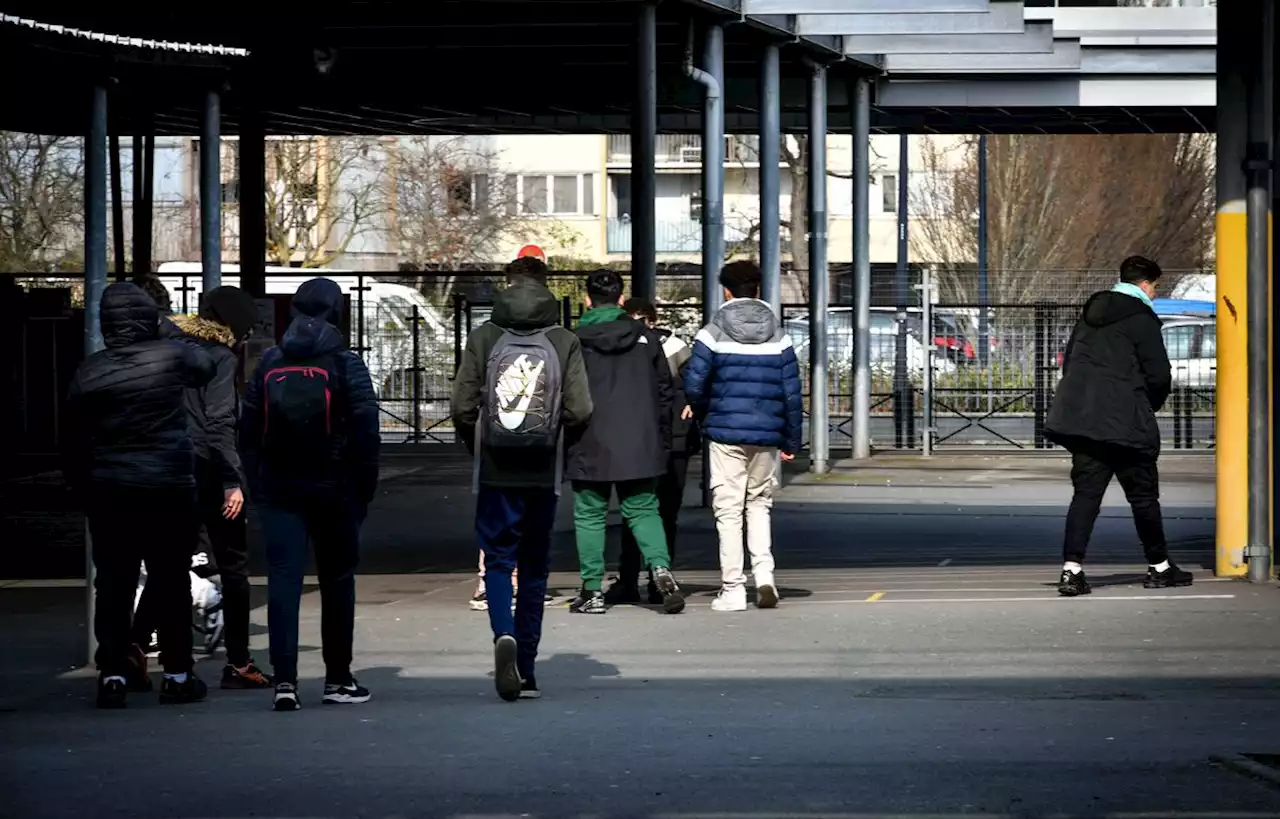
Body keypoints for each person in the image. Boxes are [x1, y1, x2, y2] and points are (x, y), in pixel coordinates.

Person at [62, 282, 215, 708]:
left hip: (110, 491)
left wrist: (81, 485)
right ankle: (179, 675)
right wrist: (167, 330)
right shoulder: (172, 357)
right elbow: (208, 366)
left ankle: (112, 675)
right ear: (149, 318)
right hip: (168, 488)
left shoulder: (90, 371)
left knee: (113, 584)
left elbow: (72, 438)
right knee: (169, 583)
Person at [451, 256, 592, 701]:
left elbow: (461, 405)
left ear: (506, 286)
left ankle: (502, 635)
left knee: (497, 560)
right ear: (547, 289)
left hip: (496, 468)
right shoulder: (563, 339)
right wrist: (559, 443)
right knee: (535, 568)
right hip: (542, 469)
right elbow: (581, 409)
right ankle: (527, 669)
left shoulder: (485, 335)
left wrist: (481, 444)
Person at [240, 278, 381, 711]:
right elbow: (366, 433)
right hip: (335, 488)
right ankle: (338, 679)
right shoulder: (345, 363)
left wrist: (257, 482)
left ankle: (285, 682)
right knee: (337, 581)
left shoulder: (268, 362)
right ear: (337, 313)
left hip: (279, 488)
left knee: (284, 580)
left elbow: (247, 430)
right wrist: (363, 491)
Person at [132, 286, 271, 689]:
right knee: (234, 569)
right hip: (210, 470)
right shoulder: (221, 358)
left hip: (170, 469)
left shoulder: (166, 349)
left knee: (167, 564)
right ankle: (239, 662)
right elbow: (219, 423)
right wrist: (232, 481)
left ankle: (136, 646)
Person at [1045, 255, 1192, 597]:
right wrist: (1147, 405)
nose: (1155, 293)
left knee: (1085, 495)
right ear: (1145, 284)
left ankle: (1072, 571)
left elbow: (1071, 364)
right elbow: (1159, 374)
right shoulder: (1142, 318)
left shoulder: (1088, 316)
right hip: (1126, 422)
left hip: (1083, 421)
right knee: (1143, 497)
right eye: (1155, 287)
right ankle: (1159, 567)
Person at [683, 261, 802, 613]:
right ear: (759, 290)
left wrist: (706, 413)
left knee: (728, 509)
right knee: (760, 503)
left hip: (725, 432)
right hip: (766, 433)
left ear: (726, 290)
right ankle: (765, 577)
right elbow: (792, 392)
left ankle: (733, 588)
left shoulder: (712, 332)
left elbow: (693, 381)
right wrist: (791, 440)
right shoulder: (779, 334)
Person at [566, 271, 684, 615]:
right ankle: (661, 569)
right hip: (639, 439)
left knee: (590, 514)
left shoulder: (574, 341)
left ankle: (592, 591)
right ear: (621, 300)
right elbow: (665, 393)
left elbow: (566, 394)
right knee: (644, 509)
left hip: (590, 438)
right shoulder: (647, 339)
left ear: (587, 300)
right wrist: (659, 441)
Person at [606, 296, 699, 606]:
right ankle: (660, 578)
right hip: (674, 438)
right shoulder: (676, 347)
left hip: (639, 438)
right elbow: (695, 383)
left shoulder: (622, 346)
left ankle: (629, 579)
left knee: (635, 511)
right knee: (664, 512)